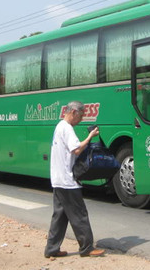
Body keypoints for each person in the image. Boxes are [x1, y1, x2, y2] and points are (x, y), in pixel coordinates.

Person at [44, 101, 105, 258]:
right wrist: (90, 136)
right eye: (81, 115)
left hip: (57, 179)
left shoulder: (59, 126)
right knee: (79, 214)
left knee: (60, 216)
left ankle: (51, 249)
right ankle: (86, 248)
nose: (81, 119)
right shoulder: (67, 129)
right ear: (73, 112)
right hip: (67, 181)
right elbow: (77, 149)